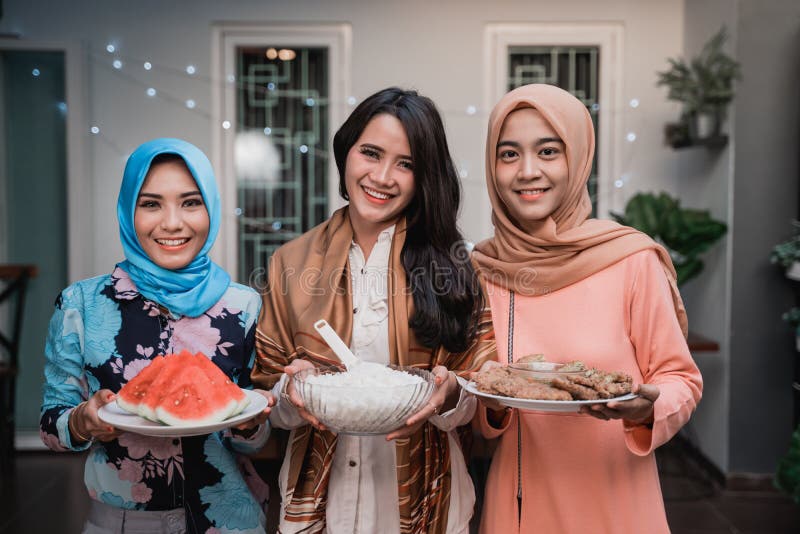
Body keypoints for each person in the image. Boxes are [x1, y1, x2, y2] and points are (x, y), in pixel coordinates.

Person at [251, 87, 496, 534]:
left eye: (406, 164)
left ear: (425, 178)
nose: (383, 176)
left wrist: (452, 392)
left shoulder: (456, 264)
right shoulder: (290, 262)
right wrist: (292, 391)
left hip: (427, 499)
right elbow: (267, 396)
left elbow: (481, 384)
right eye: (371, 153)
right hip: (321, 505)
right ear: (346, 152)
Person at [471, 84, 703, 534]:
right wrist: (492, 406)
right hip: (517, 503)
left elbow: (680, 379)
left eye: (548, 151)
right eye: (509, 154)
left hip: (614, 501)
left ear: (576, 158)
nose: (528, 171)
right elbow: (482, 410)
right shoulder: (485, 269)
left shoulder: (630, 258)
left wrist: (645, 410)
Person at [40, 138, 273, 534]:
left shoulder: (244, 305)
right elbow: (50, 425)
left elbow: (254, 440)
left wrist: (254, 423)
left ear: (211, 209)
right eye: (150, 204)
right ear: (128, 211)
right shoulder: (80, 305)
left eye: (190, 202)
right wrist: (84, 420)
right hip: (125, 522)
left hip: (231, 519)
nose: (172, 223)